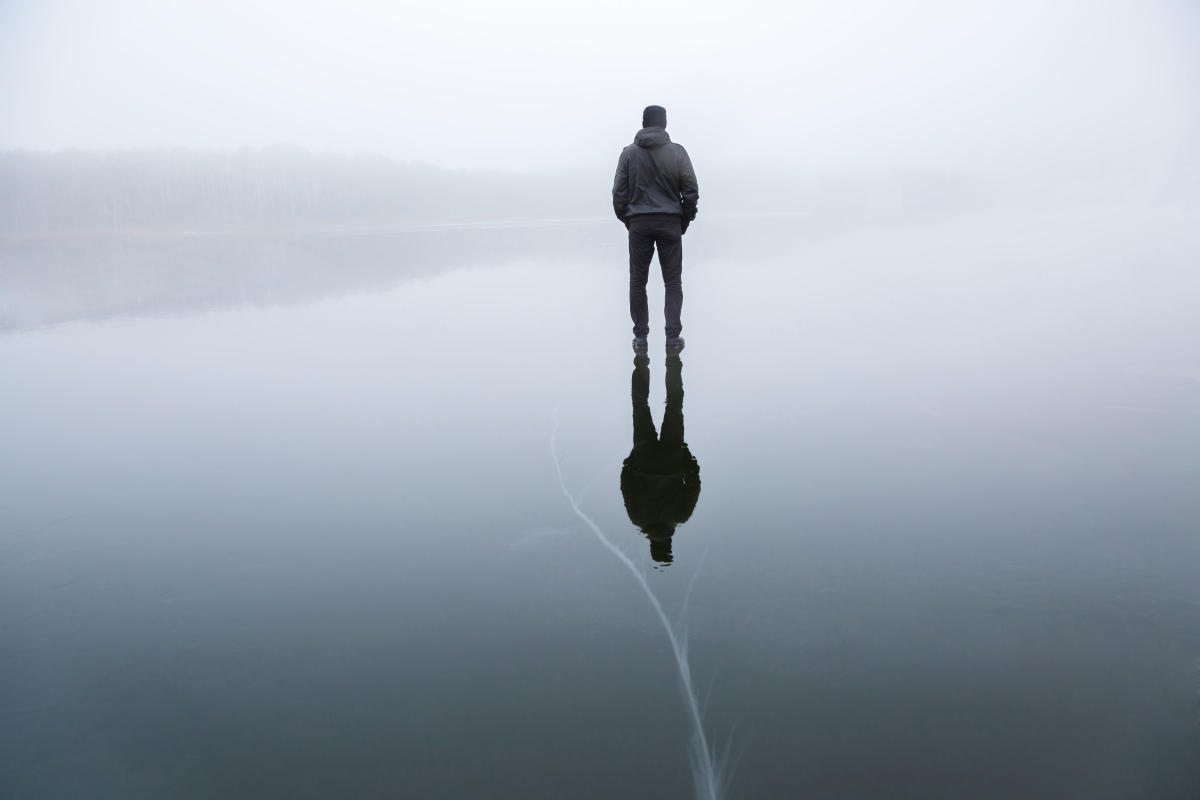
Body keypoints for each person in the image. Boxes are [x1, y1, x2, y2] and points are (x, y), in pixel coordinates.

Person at [612, 105, 699, 353]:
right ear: (664, 124)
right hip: (670, 222)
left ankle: (640, 338)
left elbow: (619, 194)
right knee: (672, 282)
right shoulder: (678, 152)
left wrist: (630, 220)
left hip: (639, 224)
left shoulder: (628, 154)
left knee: (637, 281)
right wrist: (684, 219)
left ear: (643, 123)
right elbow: (691, 190)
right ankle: (673, 338)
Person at [620, 352, 701, 566]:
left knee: (674, 406)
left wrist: (687, 458)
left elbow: (693, 486)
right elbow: (626, 486)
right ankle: (641, 358)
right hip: (644, 457)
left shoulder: (680, 516)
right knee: (640, 405)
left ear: (669, 543)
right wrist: (630, 462)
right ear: (652, 545)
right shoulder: (638, 519)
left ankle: (673, 358)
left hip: (673, 457)